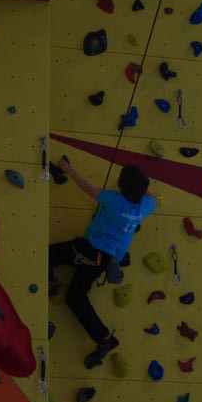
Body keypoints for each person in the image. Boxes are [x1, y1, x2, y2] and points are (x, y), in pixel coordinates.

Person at [49, 157, 156, 368]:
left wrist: (68, 169)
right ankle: (105, 338)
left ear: (121, 185)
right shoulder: (144, 207)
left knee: (50, 254)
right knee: (75, 297)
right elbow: (151, 195)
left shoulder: (114, 199)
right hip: (106, 260)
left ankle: (51, 281)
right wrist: (140, 188)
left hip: (89, 250)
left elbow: (87, 187)